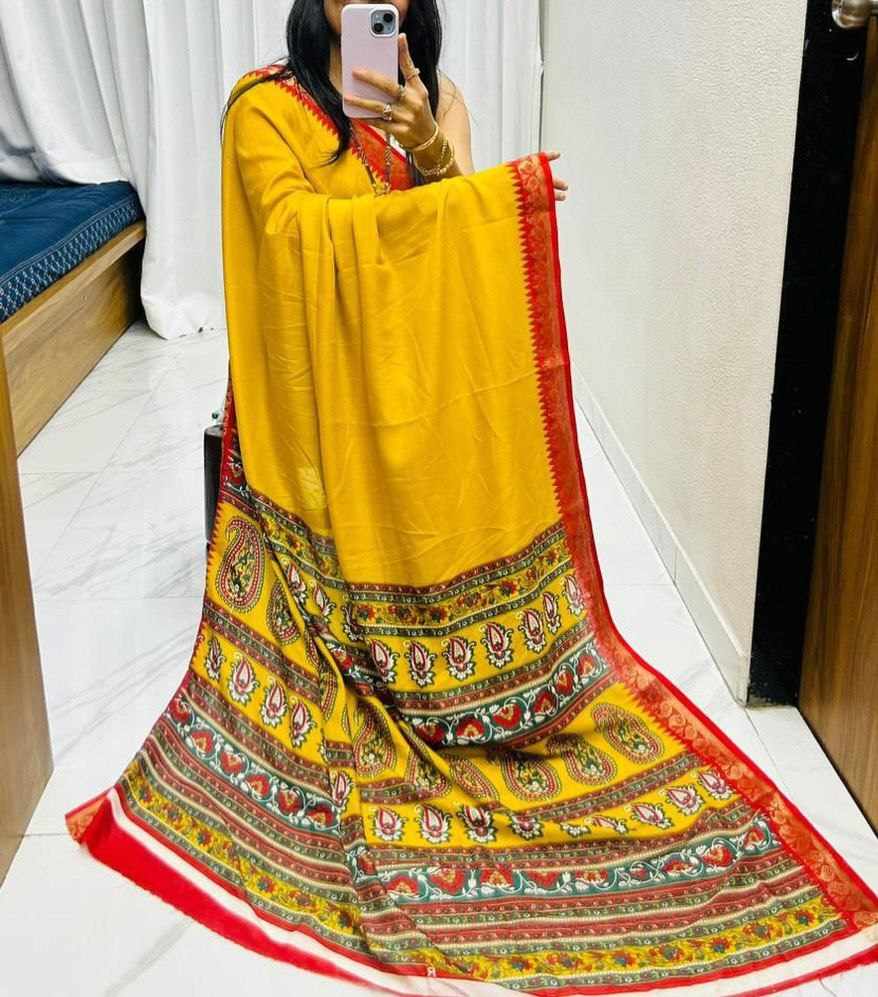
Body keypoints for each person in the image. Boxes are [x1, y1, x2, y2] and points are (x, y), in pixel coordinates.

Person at [66, 2, 878, 994]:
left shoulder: (437, 99)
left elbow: (451, 249)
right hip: (316, 400)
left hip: (416, 375)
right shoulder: (265, 111)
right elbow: (290, 242)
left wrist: (436, 155)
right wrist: (472, 197)